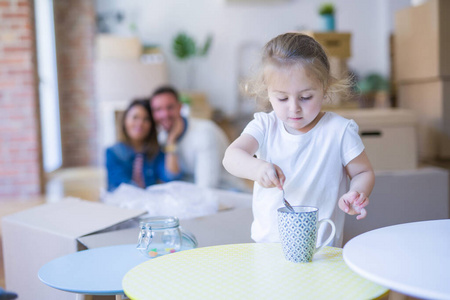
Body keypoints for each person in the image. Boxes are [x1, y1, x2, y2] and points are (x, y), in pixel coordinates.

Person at [222, 32, 375, 247]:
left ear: (325, 87)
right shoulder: (265, 125)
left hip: (322, 250)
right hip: (268, 247)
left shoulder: (339, 131)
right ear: (268, 91)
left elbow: (362, 172)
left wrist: (356, 193)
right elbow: (231, 157)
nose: (294, 108)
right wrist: (257, 169)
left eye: (305, 97)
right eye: (282, 98)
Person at [149, 86, 250, 192]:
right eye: (158, 110)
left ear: (180, 107)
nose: (164, 114)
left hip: (228, 193)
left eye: (170, 107)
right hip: (195, 195)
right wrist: (171, 141)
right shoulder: (164, 137)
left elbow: (206, 187)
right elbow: (170, 177)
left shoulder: (204, 132)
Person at [106, 99, 182, 192]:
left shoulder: (156, 153)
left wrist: (171, 139)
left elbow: (171, 178)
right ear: (125, 120)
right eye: (135, 117)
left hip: (148, 204)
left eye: (146, 119)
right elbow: (122, 189)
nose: (140, 123)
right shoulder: (112, 153)